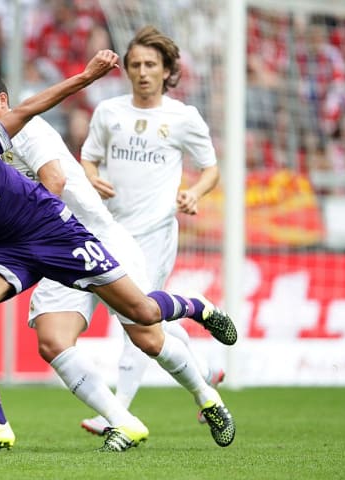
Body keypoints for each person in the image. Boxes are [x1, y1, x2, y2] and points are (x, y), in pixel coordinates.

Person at [0, 50, 237, 454]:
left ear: (1, 102)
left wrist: (86, 76)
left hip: (70, 233)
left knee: (144, 322)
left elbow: (52, 177)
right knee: (17, 329)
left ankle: (202, 346)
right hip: (16, 245)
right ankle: (22, 422)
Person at [79, 26, 224, 435]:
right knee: (150, 319)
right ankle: (207, 371)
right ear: (125, 70)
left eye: (150, 65)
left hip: (156, 233)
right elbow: (87, 160)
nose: (142, 72)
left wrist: (194, 192)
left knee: (137, 318)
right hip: (110, 230)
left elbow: (211, 169)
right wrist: (91, 177)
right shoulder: (109, 112)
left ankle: (117, 411)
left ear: (167, 70)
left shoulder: (183, 117)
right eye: (135, 65)